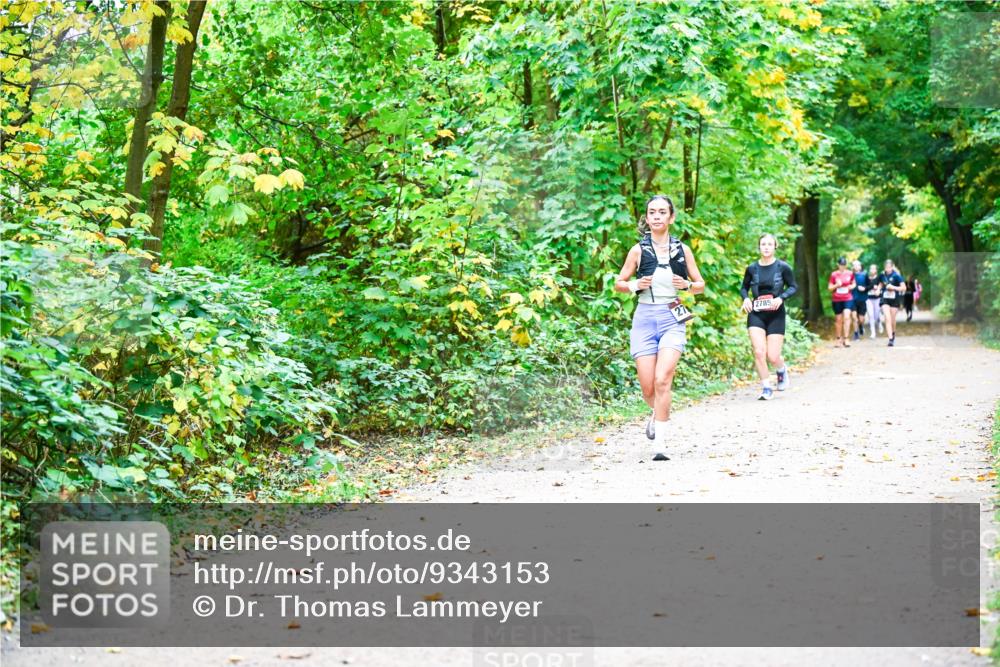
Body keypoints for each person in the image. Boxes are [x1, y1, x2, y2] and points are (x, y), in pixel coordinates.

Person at [614, 195, 706, 461]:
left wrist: (688, 286)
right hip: (644, 318)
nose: (656, 216)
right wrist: (633, 285)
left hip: (672, 317)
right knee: (648, 388)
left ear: (671, 217)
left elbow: (700, 284)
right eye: (652, 212)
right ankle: (656, 413)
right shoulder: (638, 250)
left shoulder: (682, 250)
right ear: (647, 218)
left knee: (662, 379)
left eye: (662, 212)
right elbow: (619, 282)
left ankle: (661, 445)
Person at [740, 233, 797, 401]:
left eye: (769, 244)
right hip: (756, 314)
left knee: (772, 356)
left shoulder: (783, 267)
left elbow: (793, 286)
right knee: (759, 352)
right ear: (759, 247)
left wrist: (781, 298)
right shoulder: (752, 268)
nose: (766, 247)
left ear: (775, 247)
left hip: (776, 315)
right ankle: (766, 387)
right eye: (763, 244)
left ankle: (780, 369)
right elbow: (743, 288)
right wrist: (745, 299)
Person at [828, 257, 856, 348]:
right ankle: (838, 338)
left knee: (847, 317)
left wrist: (851, 287)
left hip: (848, 298)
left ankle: (846, 338)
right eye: (841, 265)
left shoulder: (850, 273)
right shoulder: (834, 274)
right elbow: (829, 288)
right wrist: (837, 285)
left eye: (844, 265)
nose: (842, 267)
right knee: (839, 319)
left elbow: (854, 283)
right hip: (837, 299)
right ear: (838, 265)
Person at [878, 259, 906, 347]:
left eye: (889, 267)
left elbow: (903, 288)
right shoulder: (882, 275)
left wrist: (893, 287)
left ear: (892, 267)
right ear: (884, 267)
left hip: (894, 299)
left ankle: (893, 333)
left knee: (893, 319)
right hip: (885, 299)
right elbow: (880, 284)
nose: (888, 269)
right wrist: (878, 289)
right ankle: (890, 339)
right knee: (887, 317)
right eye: (886, 267)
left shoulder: (897, 276)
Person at [850, 259, 868, 340]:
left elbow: (870, 286)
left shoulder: (864, 275)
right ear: (853, 267)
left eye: (858, 265)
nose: (856, 267)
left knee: (861, 319)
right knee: (854, 317)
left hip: (862, 299)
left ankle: (861, 326)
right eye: (854, 265)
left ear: (860, 267)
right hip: (852, 299)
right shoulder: (850, 275)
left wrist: (864, 288)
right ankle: (856, 334)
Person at [865, 263, 882, 339]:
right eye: (871, 268)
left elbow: (882, 285)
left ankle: (879, 322)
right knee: (871, 315)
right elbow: (865, 287)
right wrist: (870, 287)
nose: (872, 270)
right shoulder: (867, 278)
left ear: (876, 270)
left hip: (877, 298)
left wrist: (878, 288)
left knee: (876, 315)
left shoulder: (879, 278)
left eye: (873, 268)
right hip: (869, 298)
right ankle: (873, 333)